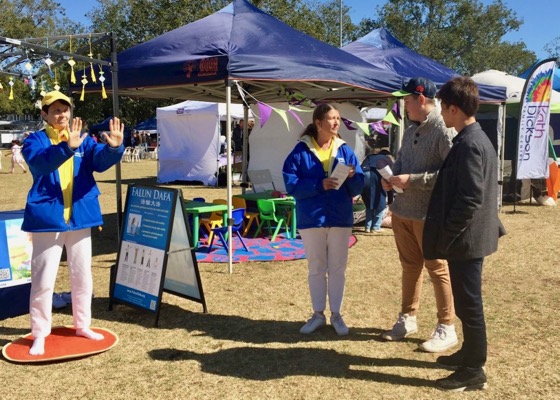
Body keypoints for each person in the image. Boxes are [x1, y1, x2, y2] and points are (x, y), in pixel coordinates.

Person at [22, 91, 124, 356]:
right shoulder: (34, 140)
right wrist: (67, 147)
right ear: (44, 114)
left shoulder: (84, 139)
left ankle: (83, 325)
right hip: (47, 220)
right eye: (55, 110)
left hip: (80, 218)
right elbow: (40, 165)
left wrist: (113, 148)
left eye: (65, 110)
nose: (62, 115)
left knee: (82, 276)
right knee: (43, 280)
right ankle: (40, 333)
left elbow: (100, 162)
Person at [423, 76, 506, 391]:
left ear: (454, 109)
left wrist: (446, 237)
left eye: (443, 107)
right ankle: (469, 355)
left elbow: (470, 198)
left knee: (469, 304)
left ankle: (473, 369)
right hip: (469, 239)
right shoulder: (474, 138)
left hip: (466, 241)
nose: (441, 113)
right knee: (466, 300)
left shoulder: (470, 143)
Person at [380, 77, 458, 353]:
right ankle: (408, 317)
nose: (404, 106)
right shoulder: (410, 127)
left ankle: (447, 327)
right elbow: (401, 160)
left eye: (407, 101)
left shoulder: (443, 129)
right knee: (409, 266)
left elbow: (451, 175)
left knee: (437, 269)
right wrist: (389, 178)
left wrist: (412, 179)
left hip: (428, 214)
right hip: (402, 211)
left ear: (421, 99)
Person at [282, 103, 364, 336]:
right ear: (318, 123)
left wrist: (352, 175)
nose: (336, 122)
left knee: (338, 268)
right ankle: (318, 314)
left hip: (340, 216)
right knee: (316, 268)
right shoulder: (300, 151)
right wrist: (319, 185)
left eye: (338, 118)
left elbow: (358, 185)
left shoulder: (345, 150)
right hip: (313, 218)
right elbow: (291, 184)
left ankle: (337, 315)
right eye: (331, 118)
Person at [361, 148, 392, 232]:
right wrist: (390, 201)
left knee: (369, 203)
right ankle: (376, 227)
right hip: (376, 176)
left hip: (363, 176)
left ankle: (367, 227)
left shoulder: (370, 157)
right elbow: (390, 180)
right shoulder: (387, 159)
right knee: (380, 203)